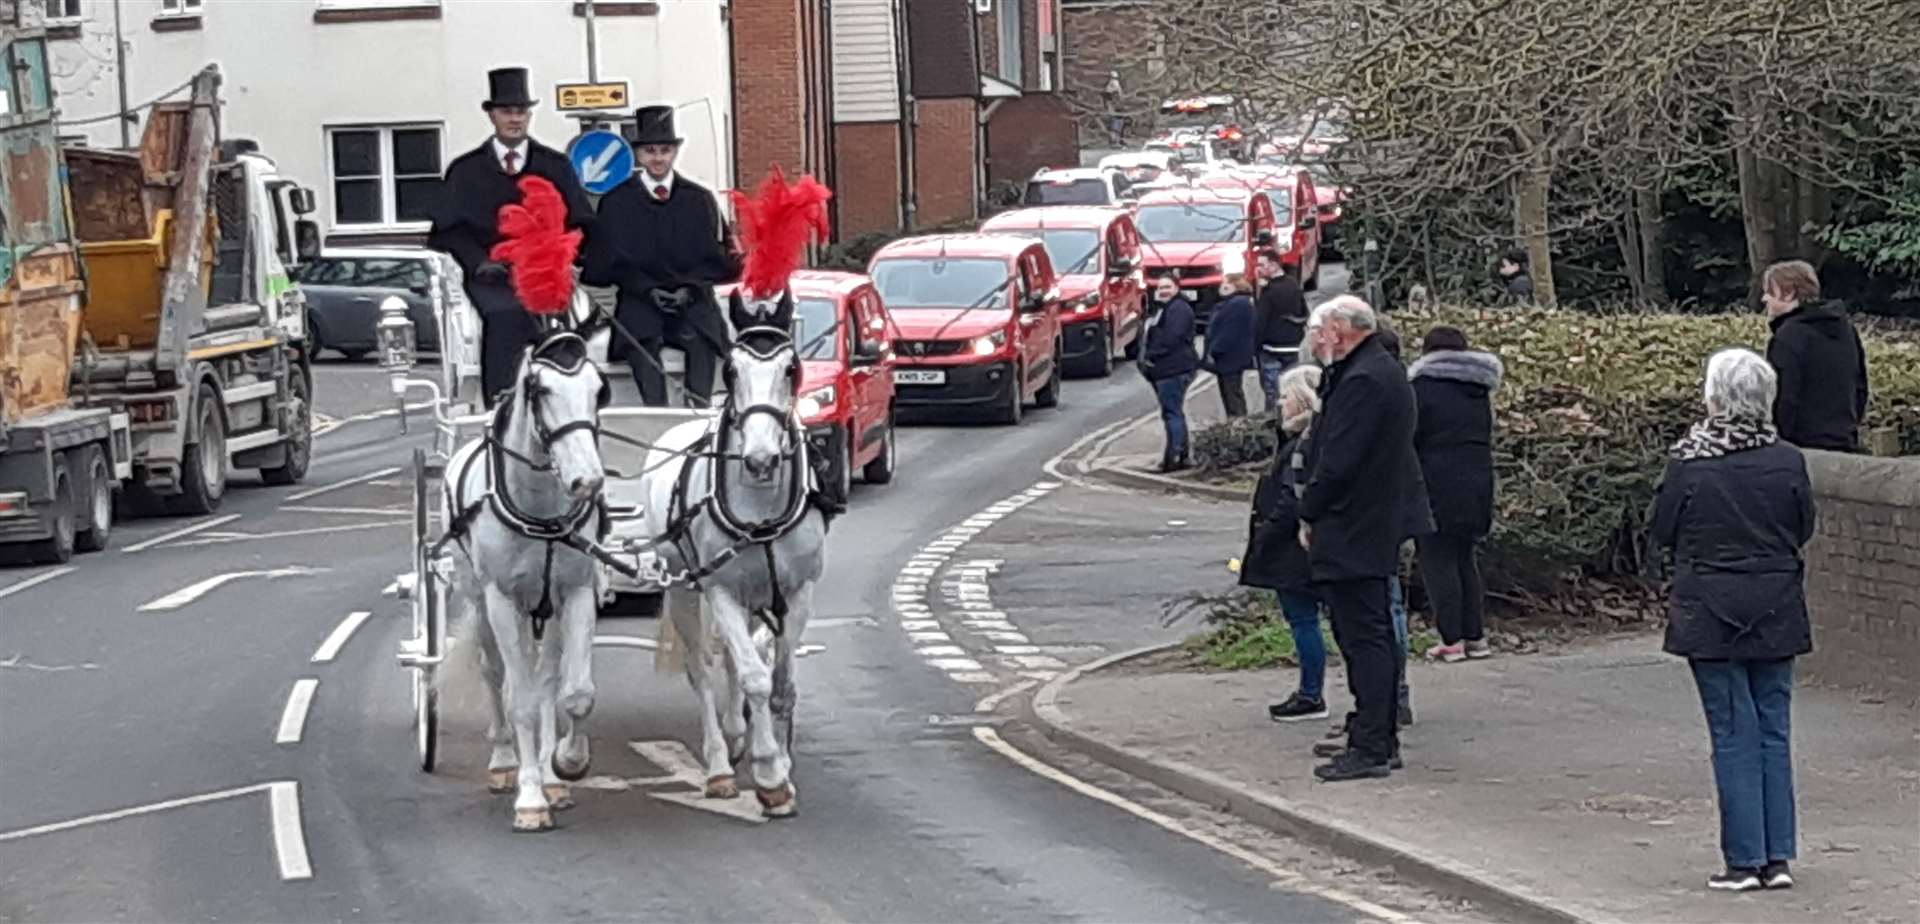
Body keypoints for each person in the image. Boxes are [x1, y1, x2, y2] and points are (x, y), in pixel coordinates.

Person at [1649, 348, 1815, 893]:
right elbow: (1803, 525)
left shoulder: (1689, 460)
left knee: (1731, 730)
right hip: (1776, 602)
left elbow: (1663, 529)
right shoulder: (1788, 459)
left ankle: (1743, 861)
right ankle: (1778, 857)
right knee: (1773, 729)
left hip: (1710, 607)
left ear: (1714, 396)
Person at [1296, 295, 1422, 781]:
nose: (1317, 339)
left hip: (1355, 526)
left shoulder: (1365, 380)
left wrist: (1309, 511)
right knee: (1369, 635)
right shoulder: (1376, 372)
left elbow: (1339, 459)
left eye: (1322, 330)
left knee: (1364, 636)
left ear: (1344, 330)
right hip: (1369, 522)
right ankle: (1375, 735)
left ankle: (1372, 743)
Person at [428, 66, 593, 407]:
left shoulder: (556, 165)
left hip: (545, 273)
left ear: (529, 114)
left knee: (560, 320)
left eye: (521, 111)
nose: (515, 119)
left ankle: (563, 403)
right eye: (507, 112)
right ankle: (500, 403)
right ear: (492, 115)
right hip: (492, 277)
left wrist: (564, 260)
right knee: (506, 315)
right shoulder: (465, 170)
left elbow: (579, 224)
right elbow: (447, 233)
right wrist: (479, 262)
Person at [581, 105, 741, 407]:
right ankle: (657, 414)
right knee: (641, 342)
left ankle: (699, 413)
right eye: (651, 150)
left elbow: (717, 259)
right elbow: (606, 263)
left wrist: (689, 288)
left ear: (674, 153)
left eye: (665, 150)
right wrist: (645, 289)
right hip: (640, 301)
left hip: (692, 301)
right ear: (639, 155)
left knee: (701, 340)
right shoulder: (617, 203)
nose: (658, 158)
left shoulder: (699, 199)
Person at [1409, 326, 1503, 661]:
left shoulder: (1421, 388)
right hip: (1477, 480)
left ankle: (1451, 639)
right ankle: (1475, 636)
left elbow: (1411, 436)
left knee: (1437, 560)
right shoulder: (1477, 390)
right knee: (1464, 558)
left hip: (1435, 482)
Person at [1241, 364, 1330, 721]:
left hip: (1292, 546)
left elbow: (1290, 498)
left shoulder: (1301, 443)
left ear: (1304, 399)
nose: (1281, 403)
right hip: (1296, 543)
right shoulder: (1306, 438)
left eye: (1287, 395)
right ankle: (1311, 692)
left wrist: (1265, 536)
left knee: (1303, 620)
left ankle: (1311, 695)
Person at [1761, 260, 1870, 453]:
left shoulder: (1787, 337)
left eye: (1770, 292)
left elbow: (1784, 400)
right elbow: (1860, 387)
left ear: (1789, 293)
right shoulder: (1846, 330)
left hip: (1803, 448)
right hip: (1845, 442)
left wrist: (1779, 445)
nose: (1764, 299)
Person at [1139, 275, 1199, 472]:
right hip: (1169, 368)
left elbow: (1171, 339)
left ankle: (1174, 457)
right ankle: (1180, 455)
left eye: (1167, 287)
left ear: (1177, 288)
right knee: (1174, 412)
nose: (1163, 290)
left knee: (1172, 413)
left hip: (1173, 368)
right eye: (1160, 287)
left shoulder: (1178, 309)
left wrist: (1152, 355)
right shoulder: (1168, 308)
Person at [1253, 252, 1308, 411]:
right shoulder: (1293, 284)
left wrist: (1256, 346)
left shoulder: (1269, 291)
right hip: (1293, 345)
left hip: (1272, 347)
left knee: (1273, 391)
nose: (1259, 269)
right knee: (1292, 388)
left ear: (1274, 265)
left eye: (1262, 265)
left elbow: (1260, 321)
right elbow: (1303, 311)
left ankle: (1275, 423)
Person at [1203, 272, 1257, 418]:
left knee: (1232, 396)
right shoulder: (1233, 303)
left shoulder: (1238, 304)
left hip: (1230, 358)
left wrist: (1214, 350)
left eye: (1225, 283)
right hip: (1229, 358)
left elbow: (1229, 332)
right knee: (1230, 395)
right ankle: (1236, 425)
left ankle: (1239, 427)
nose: (1221, 286)